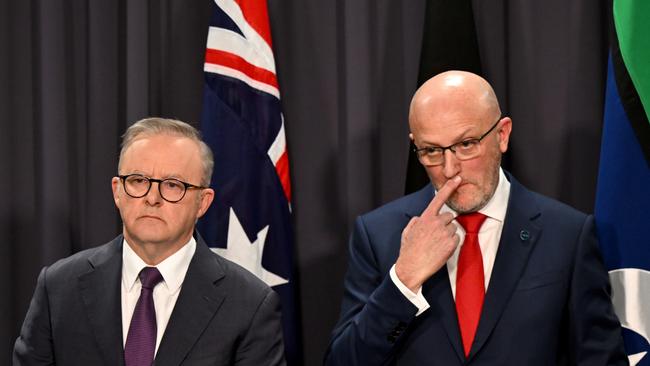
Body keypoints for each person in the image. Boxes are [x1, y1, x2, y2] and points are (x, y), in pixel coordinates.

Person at [324, 71, 628, 365]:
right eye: (431, 151)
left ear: (502, 135)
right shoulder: (379, 234)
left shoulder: (567, 235)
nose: (449, 168)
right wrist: (403, 281)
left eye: (466, 145)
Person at [14, 117, 286, 366]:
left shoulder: (250, 305)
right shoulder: (59, 287)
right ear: (117, 192)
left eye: (172, 185)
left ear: (203, 203)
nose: (152, 198)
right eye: (138, 180)